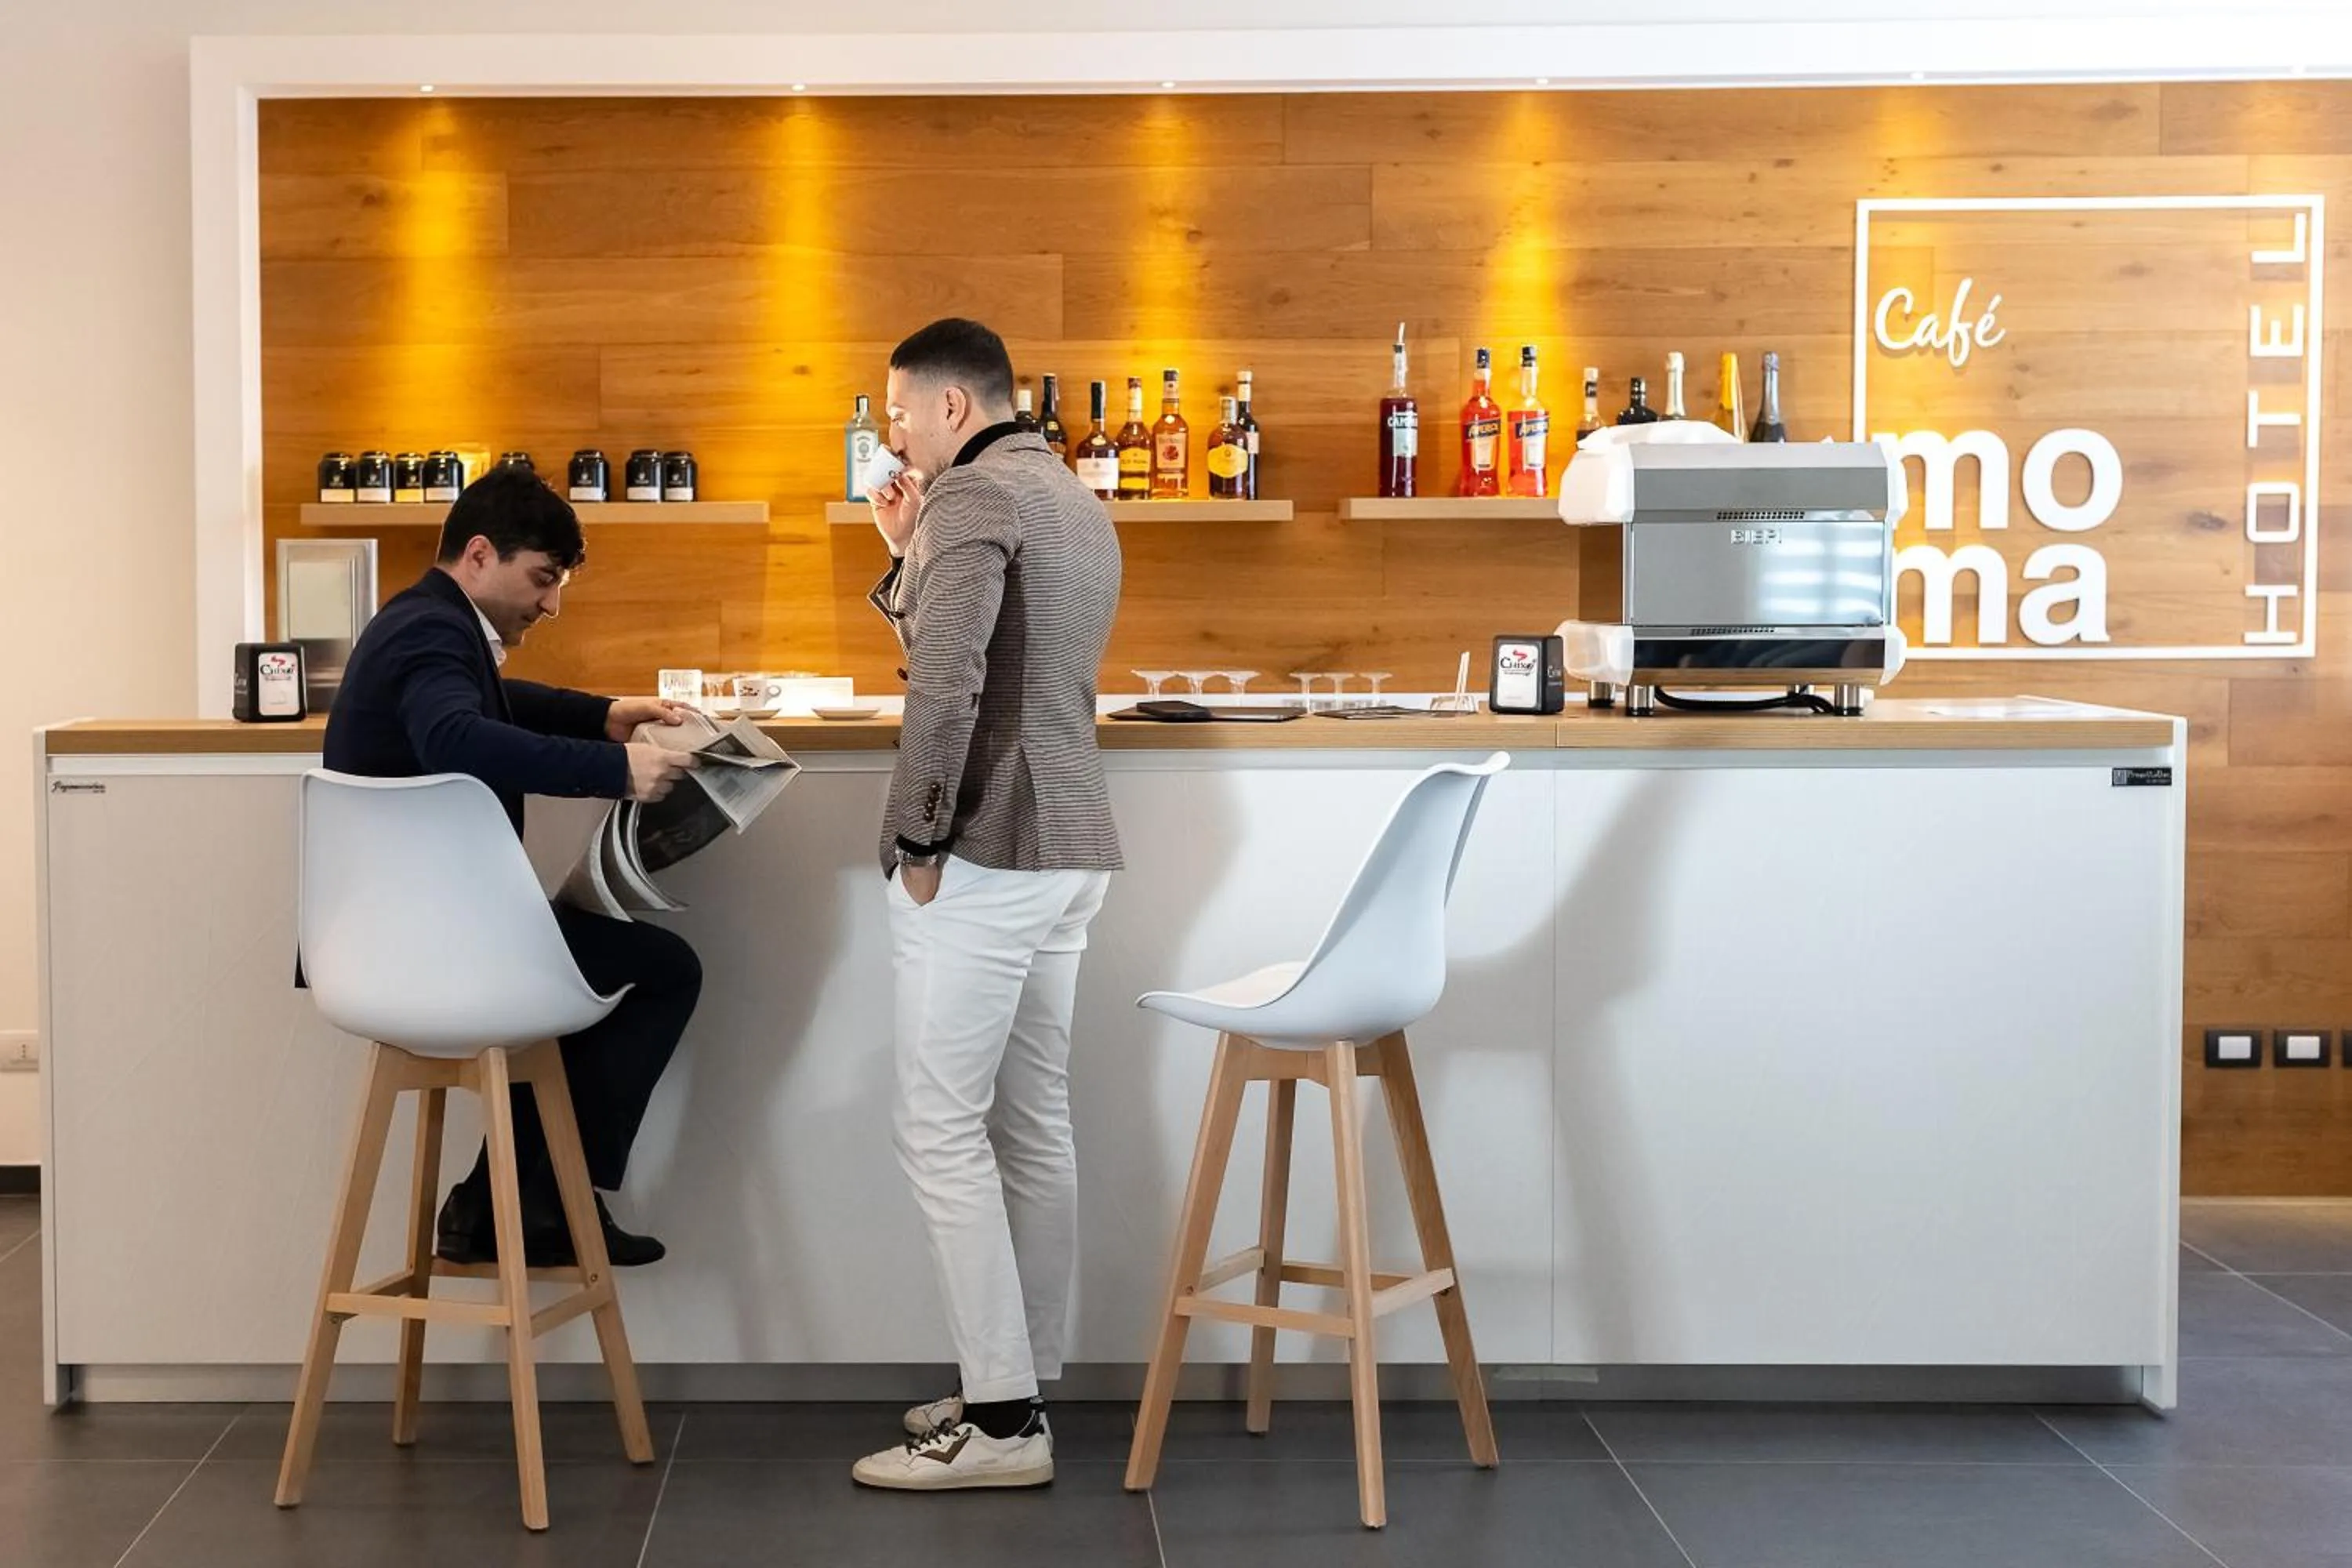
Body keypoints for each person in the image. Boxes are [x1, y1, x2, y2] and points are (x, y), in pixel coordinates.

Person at [850, 318, 1124, 1492]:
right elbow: (992, 654)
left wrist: (918, 832)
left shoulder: (976, 500)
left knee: (939, 1127)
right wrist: (908, 552)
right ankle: (1019, 1380)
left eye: (902, 410)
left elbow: (949, 686)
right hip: (1070, 841)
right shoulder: (1070, 496)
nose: (893, 430)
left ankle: (1004, 1426)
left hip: (992, 843)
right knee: (1031, 1120)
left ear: (955, 408)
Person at [323, 466, 704, 1269]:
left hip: (386, 937)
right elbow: (456, 736)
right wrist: (616, 771)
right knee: (664, 968)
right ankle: (547, 1204)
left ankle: (495, 1201)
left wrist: (602, 715)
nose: (551, 603)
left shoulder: (421, 622)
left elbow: (492, 701)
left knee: (579, 976)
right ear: (480, 554)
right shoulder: (430, 632)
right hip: (439, 945)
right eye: (542, 578)